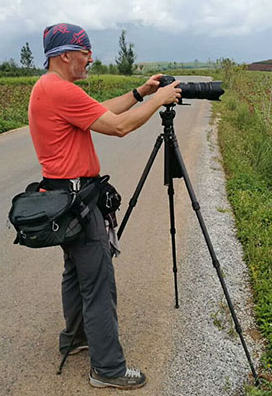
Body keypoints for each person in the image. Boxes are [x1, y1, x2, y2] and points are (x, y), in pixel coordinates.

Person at [28, 23, 181, 390]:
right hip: (77, 199)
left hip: (63, 197)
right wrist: (159, 100)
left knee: (75, 273)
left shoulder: (51, 88)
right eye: (85, 53)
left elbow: (101, 112)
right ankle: (108, 369)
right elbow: (118, 127)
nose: (90, 59)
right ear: (66, 55)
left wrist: (140, 93)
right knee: (98, 283)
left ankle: (76, 337)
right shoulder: (59, 90)